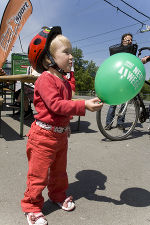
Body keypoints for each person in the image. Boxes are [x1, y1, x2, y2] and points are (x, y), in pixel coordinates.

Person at [21, 26, 103, 225]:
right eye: (66, 52)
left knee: (59, 173)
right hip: (42, 137)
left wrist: (66, 126)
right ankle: (31, 206)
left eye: (71, 52)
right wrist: (83, 105)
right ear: (49, 59)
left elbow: (69, 91)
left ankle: (57, 196)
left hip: (59, 137)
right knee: (38, 175)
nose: (71, 56)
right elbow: (57, 105)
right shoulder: (45, 80)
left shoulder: (64, 81)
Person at [105, 33, 137, 130]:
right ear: (123, 40)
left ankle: (120, 123)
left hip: (126, 80)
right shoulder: (117, 51)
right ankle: (108, 123)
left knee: (124, 104)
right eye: (128, 40)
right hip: (116, 80)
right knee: (113, 104)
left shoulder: (132, 51)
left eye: (131, 40)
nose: (130, 41)